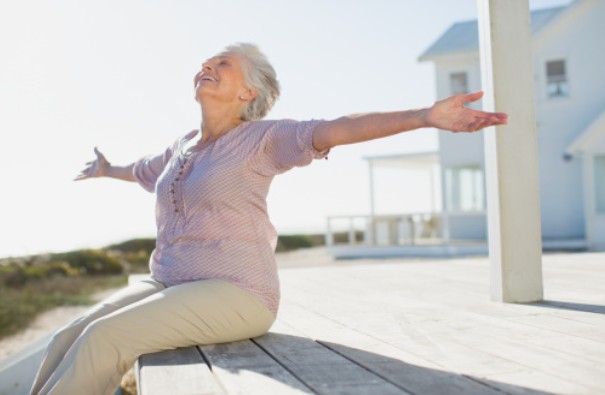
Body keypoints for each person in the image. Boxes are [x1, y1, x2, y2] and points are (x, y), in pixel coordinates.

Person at [30, 43, 507, 395]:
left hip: (237, 292)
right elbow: (141, 171)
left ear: (248, 92)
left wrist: (424, 115)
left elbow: (336, 129)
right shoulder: (181, 148)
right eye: (206, 62)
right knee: (66, 335)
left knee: (105, 337)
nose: (207, 66)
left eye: (223, 64)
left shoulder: (263, 139)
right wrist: (104, 169)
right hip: (168, 282)